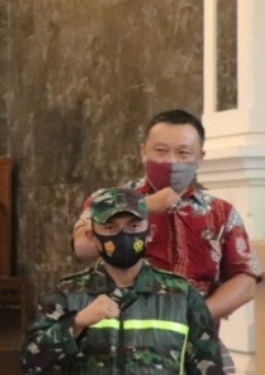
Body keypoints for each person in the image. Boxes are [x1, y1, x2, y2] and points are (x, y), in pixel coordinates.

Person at [27, 188, 233, 375]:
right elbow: (31, 361)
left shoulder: (182, 297)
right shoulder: (69, 296)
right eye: (110, 228)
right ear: (94, 237)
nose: (122, 236)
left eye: (133, 227)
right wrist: (78, 322)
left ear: (149, 233)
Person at [70, 110, 261, 338]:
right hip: (122, 339)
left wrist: (196, 315)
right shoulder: (107, 200)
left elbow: (247, 280)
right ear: (143, 152)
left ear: (200, 156)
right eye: (160, 151)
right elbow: (81, 247)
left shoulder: (221, 212)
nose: (171, 161)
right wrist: (141, 207)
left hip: (195, 342)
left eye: (183, 152)